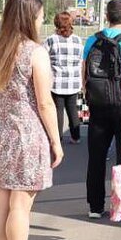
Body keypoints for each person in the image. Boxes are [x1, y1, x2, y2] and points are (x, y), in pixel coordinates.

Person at [0, 0, 64, 240]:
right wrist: (56, 142)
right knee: (20, 206)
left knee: (0, 203)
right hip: (27, 134)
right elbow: (44, 103)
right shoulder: (34, 52)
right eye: (40, 15)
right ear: (30, 17)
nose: (41, 20)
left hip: (0, 132)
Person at [82, 0, 121, 219]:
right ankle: (120, 206)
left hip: (98, 104)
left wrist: (89, 96)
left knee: (96, 156)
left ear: (107, 16)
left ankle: (95, 207)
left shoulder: (92, 40)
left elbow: (84, 75)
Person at [43, 12, 83, 145]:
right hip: (73, 81)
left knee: (57, 110)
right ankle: (76, 136)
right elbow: (80, 60)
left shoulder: (51, 40)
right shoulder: (78, 40)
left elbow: (43, 59)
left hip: (56, 81)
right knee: (72, 109)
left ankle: (57, 138)